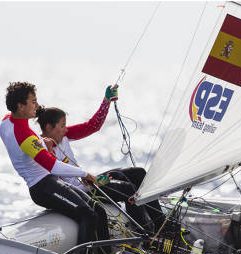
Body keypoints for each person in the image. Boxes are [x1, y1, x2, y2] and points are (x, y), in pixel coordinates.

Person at [0, 81, 110, 254]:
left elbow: (27, 145)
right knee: (87, 214)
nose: (36, 105)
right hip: (42, 188)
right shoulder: (24, 136)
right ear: (20, 106)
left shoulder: (5, 122)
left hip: (51, 182)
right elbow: (53, 166)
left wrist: (43, 142)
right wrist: (84, 173)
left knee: (98, 209)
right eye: (32, 101)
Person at [35, 85, 166, 234]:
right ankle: (147, 234)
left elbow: (92, 126)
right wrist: (89, 180)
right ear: (48, 127)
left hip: (88, 181)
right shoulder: (41, 148)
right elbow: (56, 177)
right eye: (62, 125)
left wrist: (106, 101)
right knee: (129, 189)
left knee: (138, 173)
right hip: (81, 191)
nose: (66, 129)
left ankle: (162, 226)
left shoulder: (64, 135)